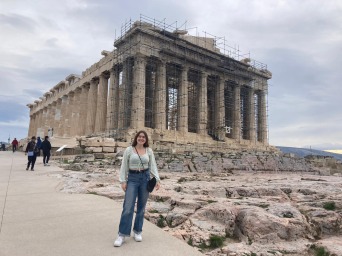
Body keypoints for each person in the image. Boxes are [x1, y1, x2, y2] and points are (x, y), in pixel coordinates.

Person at [114, 130, 161, 247]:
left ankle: (137, 231)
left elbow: (152, 165)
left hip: (145, 178)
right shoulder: (129, 150)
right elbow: (124, 165)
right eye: (139, 137)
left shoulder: (149, 151)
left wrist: (157, 179)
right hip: (133, 178)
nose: (141, 138)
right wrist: (123, 181)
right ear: (136, 138)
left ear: (146, 140)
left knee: (141, 207)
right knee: (128, 206)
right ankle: (122, 234)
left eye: (143, 137)